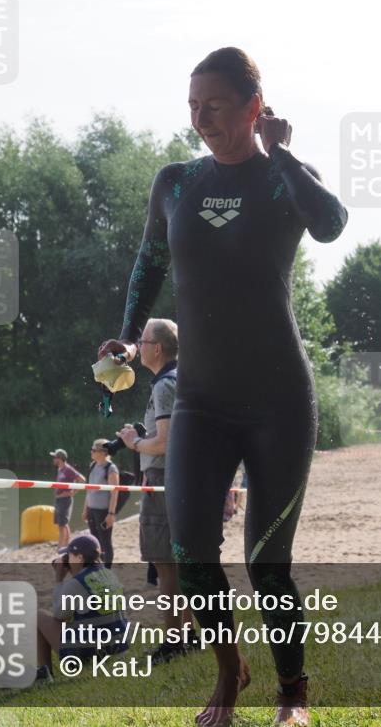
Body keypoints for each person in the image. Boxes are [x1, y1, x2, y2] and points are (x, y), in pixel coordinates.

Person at [97, 47, 347, 726]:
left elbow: (330, 224)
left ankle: (292, 691)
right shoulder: (176, 182)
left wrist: (286, 155)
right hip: (202, 400)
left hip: (278, 402)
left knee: (268, 561)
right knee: (190, 551)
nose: (198, 116)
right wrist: (125, 334)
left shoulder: (282, 181)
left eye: (212, 104)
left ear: (252, 109)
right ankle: (228, 670)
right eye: (191, 104)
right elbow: (149, 261)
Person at [115, 317, 193, 663]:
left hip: (162, 478)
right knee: (179, 562)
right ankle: (188, 634)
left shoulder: (164, 385)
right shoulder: (180, 378)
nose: (140, 347)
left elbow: (163, 443)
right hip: (177, 478)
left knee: (164, 564)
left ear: (157, 349)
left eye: (143, 342)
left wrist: (134, 443)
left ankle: (174, 641)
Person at [35, 534, 129, 682]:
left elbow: (59, 615)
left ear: (79, 558)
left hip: (90, 654)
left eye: (69, 556)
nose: (67, 560)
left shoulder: (76, 583)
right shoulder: (110, 575)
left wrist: (59, 579)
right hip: (118, 649)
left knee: (38, 616)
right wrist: (75, 571)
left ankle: (45, 675)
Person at [83, 439, 120, 568]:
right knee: (94, 541)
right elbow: (88, 489)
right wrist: (85, 509)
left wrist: (111, 513)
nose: (91, 452)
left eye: (94, 450)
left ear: (103, 452)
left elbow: (114, 493)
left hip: (104, 510)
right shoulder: (92, 465)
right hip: (92, 509)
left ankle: (107, 571)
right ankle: (97, 568)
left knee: (105, 542)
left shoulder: (111, 468)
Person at [49, 448, 86, 551]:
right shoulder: (60, 469)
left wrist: (73, 492)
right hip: (59, 500)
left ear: (60, 458)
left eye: (54, 457)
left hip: (65, 500)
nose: (53, 459)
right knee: (63, 524)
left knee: (62, 525)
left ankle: (60, 548)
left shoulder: (68, 469)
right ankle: (67, 544)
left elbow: (82, 480)